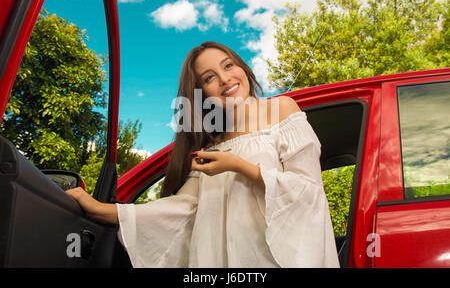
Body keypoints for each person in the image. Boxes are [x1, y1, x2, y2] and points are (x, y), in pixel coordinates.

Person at [66, 41, 340, 268]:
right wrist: (99, 210)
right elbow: (180, 209)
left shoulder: (282, 109)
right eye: (209, 78)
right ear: (202, 95)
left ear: (242, 67)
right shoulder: (211, 150)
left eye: (228, 65)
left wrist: (239, 166)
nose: (225, 79)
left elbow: (309, 193)